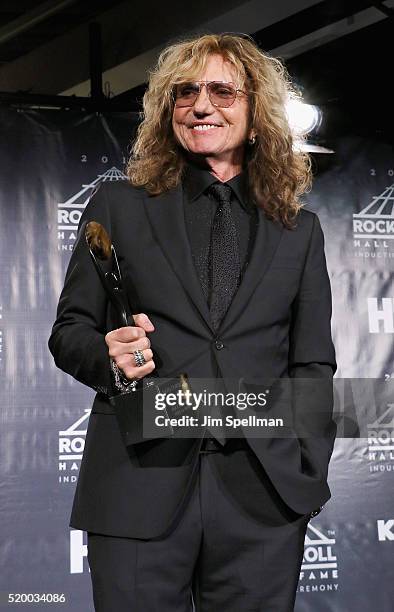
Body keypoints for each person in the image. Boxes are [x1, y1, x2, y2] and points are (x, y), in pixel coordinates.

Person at [48, 33, 337, 612]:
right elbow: (70, 330)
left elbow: (311, 362)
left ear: (258, 116)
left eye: (222, 91)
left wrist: (305, 468)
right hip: (137, 485)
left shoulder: (298, 230)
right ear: (166, 110)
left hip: (263, 493)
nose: (201, 104)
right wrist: (109, 356)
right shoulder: (117, 206)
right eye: (186, 91)